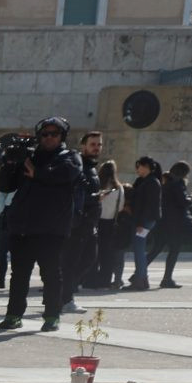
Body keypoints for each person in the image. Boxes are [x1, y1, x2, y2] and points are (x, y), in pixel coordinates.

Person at [0, 117, 80, 333]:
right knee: (19, 275)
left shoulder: (69, 157)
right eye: (45, 134)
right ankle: (14, 315)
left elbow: (66, 174)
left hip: (52, 229)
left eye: (54, 134)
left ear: (62, 136)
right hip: (23, 227)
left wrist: (38, 173)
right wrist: (10, 163)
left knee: (51, 274)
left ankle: (52, 315)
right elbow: (5, 185)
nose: (49, 138)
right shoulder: (29, 157)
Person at [61, 130, 104, 312]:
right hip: (78, 223)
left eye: (99, 144)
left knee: (88, 258)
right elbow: (74, 194)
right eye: (93, 144)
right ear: (83, 146)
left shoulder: (91, 167)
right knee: (72, 262)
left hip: (89, 223)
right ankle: (65, 298)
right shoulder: (78, 165)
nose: (96, 148)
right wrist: (96, 198)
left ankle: (62, 294)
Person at [151, 161, 192, 289]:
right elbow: (182, 202)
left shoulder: (165, 182)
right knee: (174, 250)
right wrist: (191, 198)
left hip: (162, 222)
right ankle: (167, 279)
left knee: (156, 249)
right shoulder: (178, 184)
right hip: (175, 223)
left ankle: (138, 274)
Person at [124, 157, 164, 290]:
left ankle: (140, 279)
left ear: (146, 167)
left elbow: (148, 205)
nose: (137, 169)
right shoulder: (145, 181)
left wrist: (140, 223)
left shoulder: (152, 182)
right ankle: (141, 278)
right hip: (142, 220)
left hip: (144, 221)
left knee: (139, 250)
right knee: (138, 250)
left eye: (139, 166)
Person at [93, 160, 127, 290]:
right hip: (111, 222)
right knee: (107, 253)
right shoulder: (119, 188)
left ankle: (90, 279)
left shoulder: (98, 185)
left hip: (97, 221)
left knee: (93, 251)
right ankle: (105, 279)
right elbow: (121, 207)